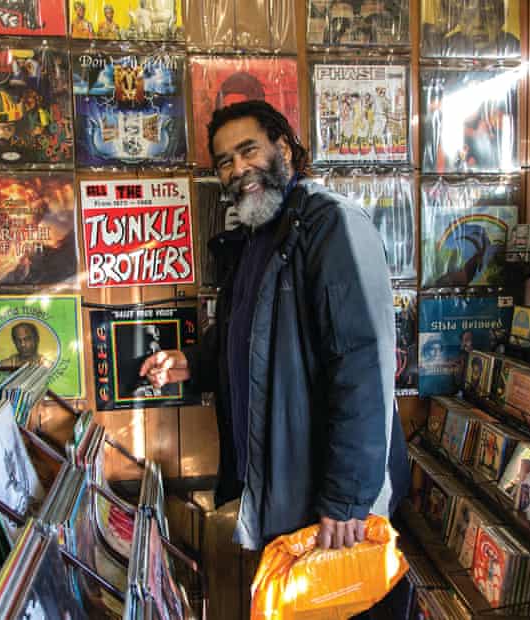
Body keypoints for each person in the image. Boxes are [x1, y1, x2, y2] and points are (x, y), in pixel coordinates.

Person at [139, 100, 408, 615]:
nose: (237, 169)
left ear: (283, 148)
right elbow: (249, 334)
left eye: (248, 151)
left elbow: (363, 363)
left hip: (330, 498)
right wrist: (192, 361)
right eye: (224, 161)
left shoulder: (332, 224)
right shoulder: (257, 238)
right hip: (282, 488)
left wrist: (348, 497)